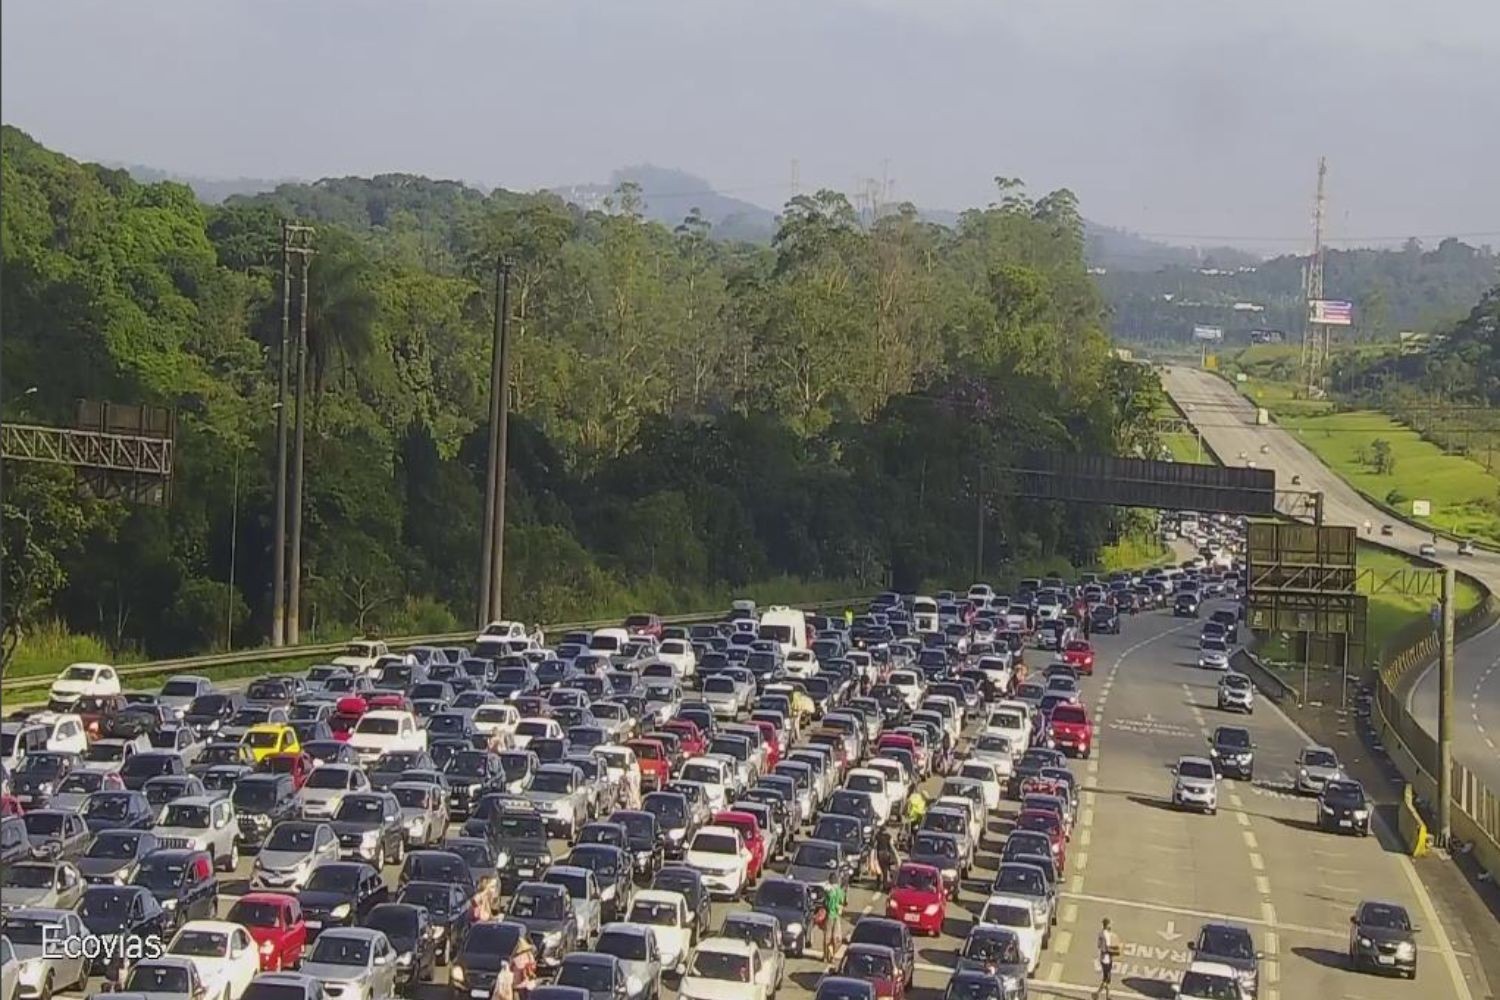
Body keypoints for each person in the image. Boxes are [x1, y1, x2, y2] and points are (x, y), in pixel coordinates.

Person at [1093, 917, 1121, 999]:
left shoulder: (1100, 933)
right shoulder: (1107, 935)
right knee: (1106, 979)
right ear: (1107, 925)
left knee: (1107, 978)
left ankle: (1107, 996)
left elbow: (1099, 946)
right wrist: (1116, 951)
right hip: (1107, 959)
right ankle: (1097, 993)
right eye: (1110, 924)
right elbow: (1108, 948)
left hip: (1102, 957)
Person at [822, 878, 847, 961]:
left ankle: (825, 956)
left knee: (827, 936)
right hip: (837, 916)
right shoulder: (839, 891)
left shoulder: (828, 890)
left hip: (829, 915)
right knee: (836, 937)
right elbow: (842, 901)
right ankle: (833, 956)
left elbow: (825, 902)